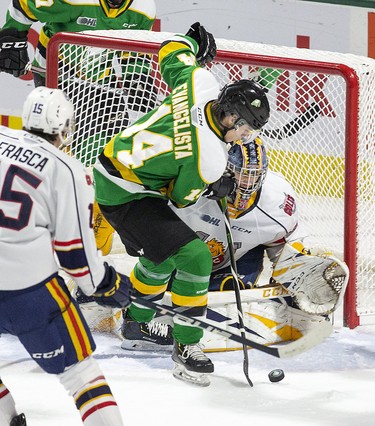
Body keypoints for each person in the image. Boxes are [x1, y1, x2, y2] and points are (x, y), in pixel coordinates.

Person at [93, 22, 270, 386]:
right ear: (233, 117)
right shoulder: (209, 158)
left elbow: (172, 48)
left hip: (111, 168)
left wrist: (193, 40)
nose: (245, 138)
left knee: (167, 245)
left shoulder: (199, 83)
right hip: (126, 193)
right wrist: (212, 187)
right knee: (195, 255)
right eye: (247, 129)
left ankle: (138, 323)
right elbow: (180, 197)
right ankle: (187, 347)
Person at [0, 87, 132, 425]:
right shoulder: (67, 170)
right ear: (65, 128)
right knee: (82, 377)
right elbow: (76, 258)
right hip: (29, 293)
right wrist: (108, 284)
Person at [0, 0, 156, 86]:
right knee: (54, 135)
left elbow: (134, 51)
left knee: (107, 136)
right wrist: (12, 44)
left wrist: (137, 78)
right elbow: (23, 6)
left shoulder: (144, 10)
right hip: (53, 72)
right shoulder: (73, 1)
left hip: (99, 78)